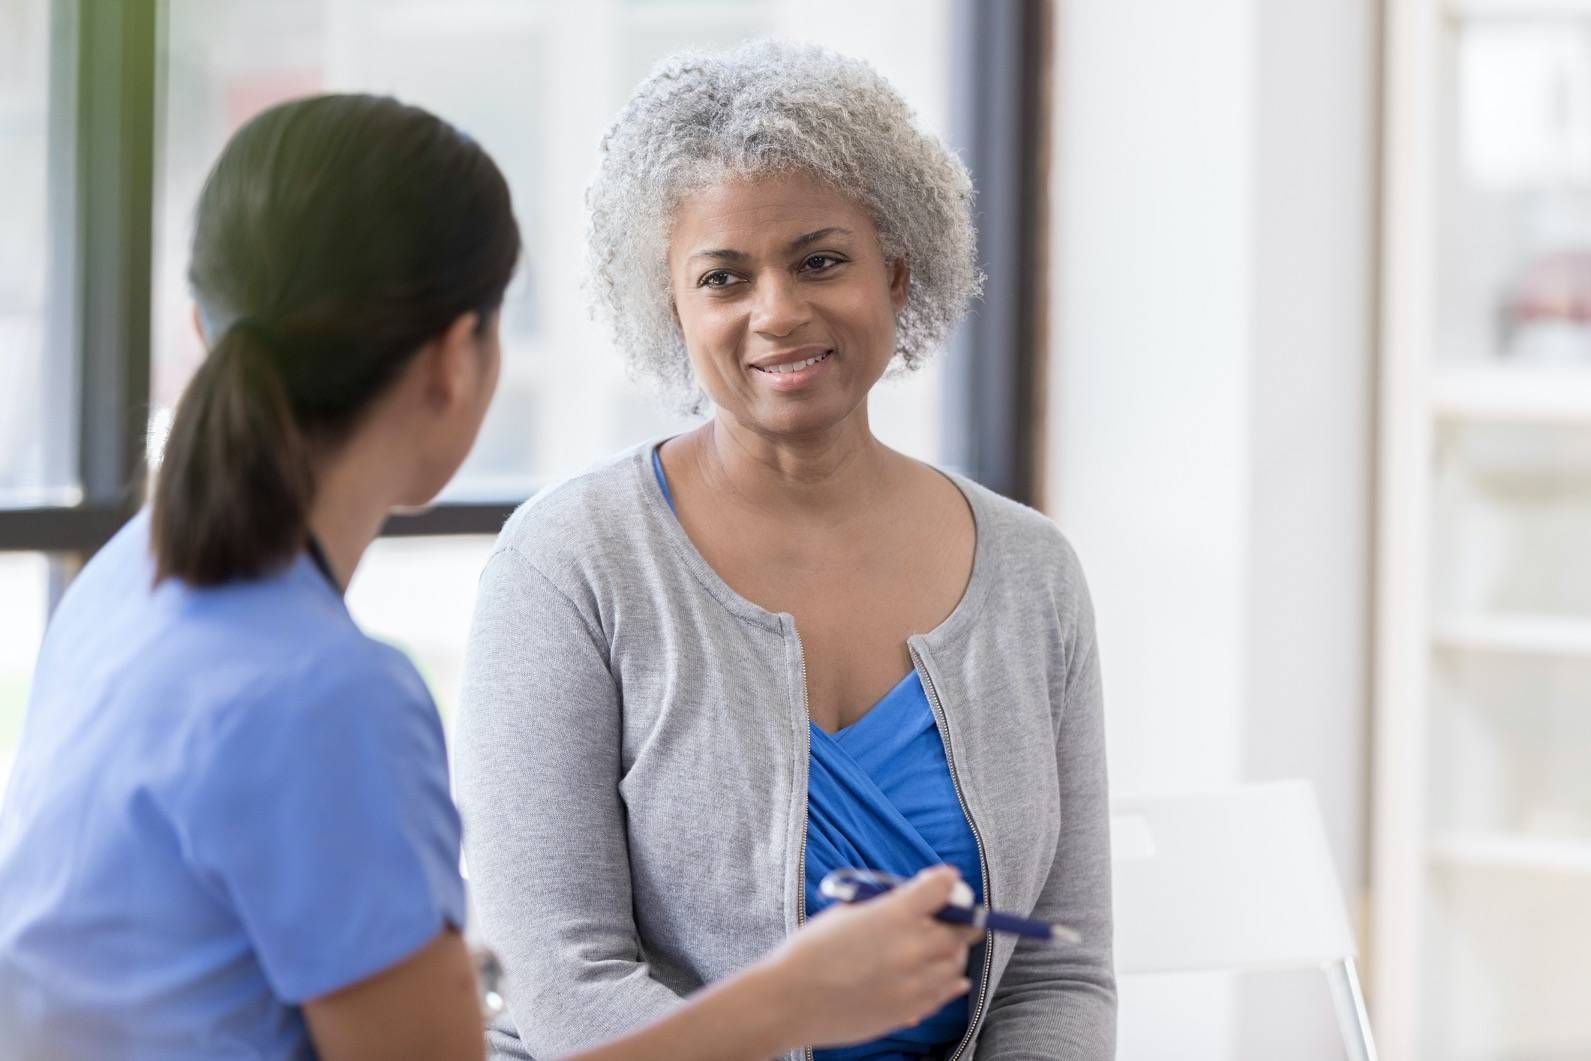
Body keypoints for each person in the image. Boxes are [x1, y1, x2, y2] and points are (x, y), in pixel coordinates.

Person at [0, 93, 976, 1061]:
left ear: (205, 333)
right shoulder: (330, 695)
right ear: (453, 360)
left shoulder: (126, 582)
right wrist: (788, 1002)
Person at [455, 40, 1116, 1061]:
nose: (778, 311)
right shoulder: (567, 562)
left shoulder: (1031, 572)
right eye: (725, 277)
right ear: (672, 308)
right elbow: (563, 978)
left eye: (819, 260)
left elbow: (1057, 975)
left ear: (895, 271)